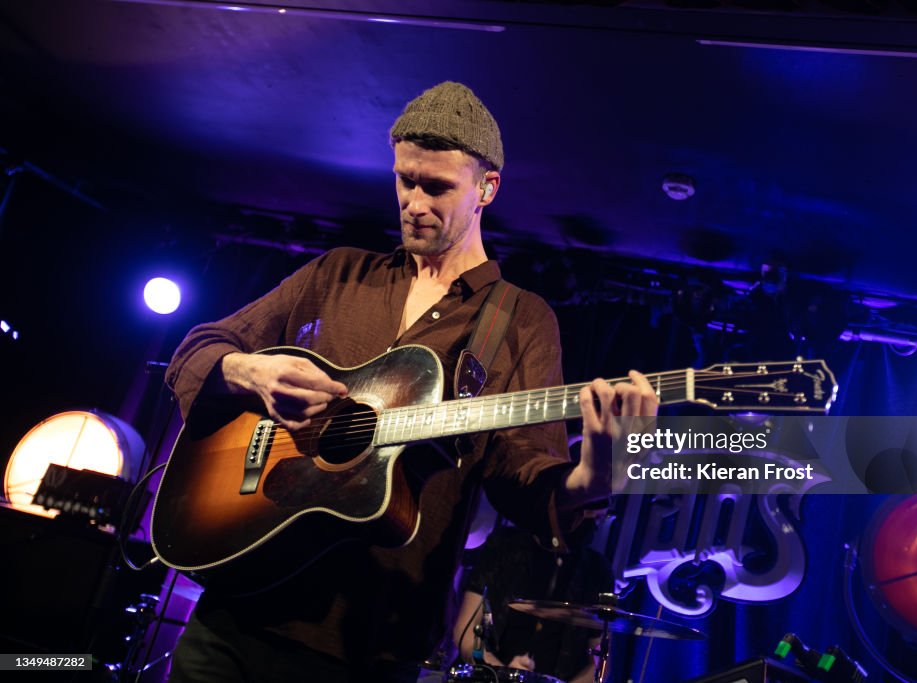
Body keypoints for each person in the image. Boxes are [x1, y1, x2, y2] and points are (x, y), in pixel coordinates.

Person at [165, 81, 658, 683]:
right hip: (234, 613)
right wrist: (248, 370)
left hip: (367, 644)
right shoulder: (337, 273)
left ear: (487, 188)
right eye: (404, 180)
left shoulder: (518, 321)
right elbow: (196, 351)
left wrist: (597, 476)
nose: (413, 202)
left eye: (436, 187)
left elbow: (523, 478)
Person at [453, 515, 613, 683]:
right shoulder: (503, 545)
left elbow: (600, 662)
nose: (594, 517)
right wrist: (502, 674)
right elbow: (464, 631)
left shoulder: (597, 570)